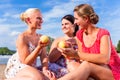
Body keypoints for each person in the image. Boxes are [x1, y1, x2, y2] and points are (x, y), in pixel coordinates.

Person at [59, 4, 120, 80]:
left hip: (112, 71)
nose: (74, 22)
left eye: (76, 19)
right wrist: (70, 55)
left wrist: (76, 54)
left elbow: (105, 59)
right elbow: (82, 59)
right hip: (93, 69)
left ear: (85, 19)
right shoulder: (79, 34)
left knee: (87, 65)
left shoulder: (103, 33)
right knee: (72, 65)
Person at [4, 8, 55, 80]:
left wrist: (45, 69)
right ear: (28, 20)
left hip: (31, 67)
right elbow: (25, 62)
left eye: (42, 19)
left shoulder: (41, 37)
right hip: (19, 65)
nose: (42, 21)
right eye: (38, 18)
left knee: (50, 77)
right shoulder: (22, 37)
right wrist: (39, 47)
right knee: (38, 78)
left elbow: (44, 56)